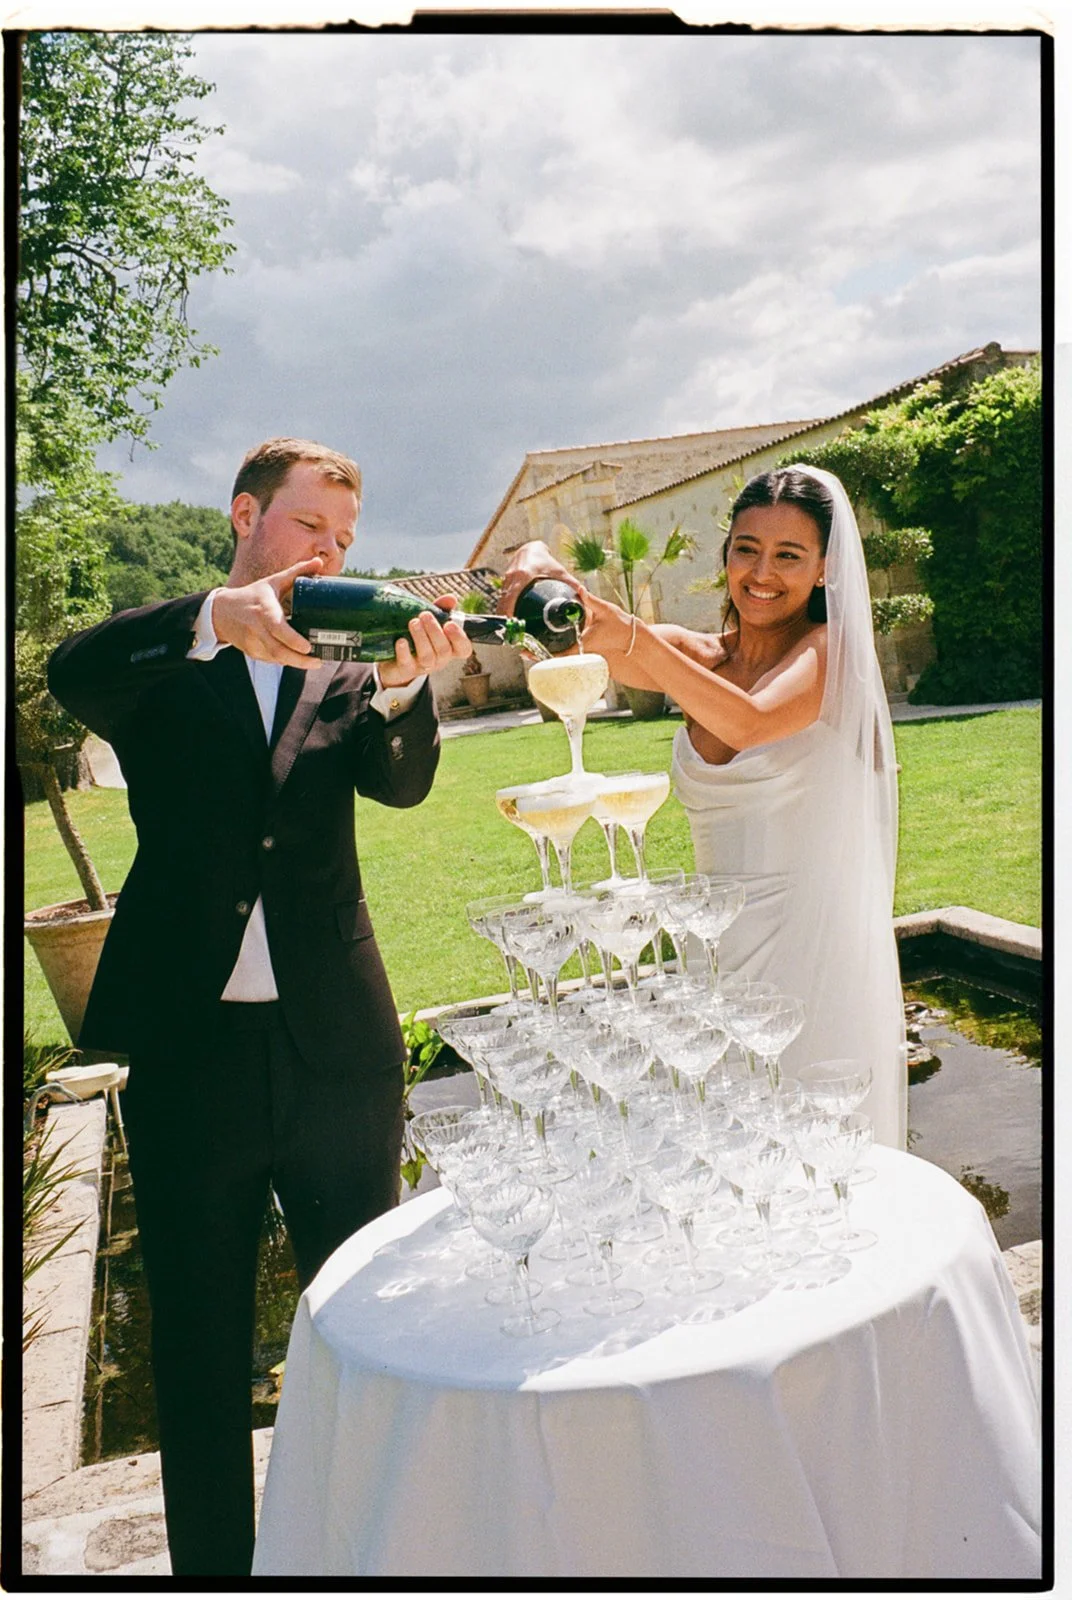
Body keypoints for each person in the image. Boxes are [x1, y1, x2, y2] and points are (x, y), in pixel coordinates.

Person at [47, 437, 472, 1576]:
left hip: (338, 1047)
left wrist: (406, 683)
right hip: (193, 1054)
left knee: (370, 1328)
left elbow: (402, 782)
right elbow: (68, 671)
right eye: (307, 527)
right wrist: (211, 618)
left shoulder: (352, 660)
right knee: (196, 1346)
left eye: (345, 535)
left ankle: (376, 1555)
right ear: (246, 515)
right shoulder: (165, 660)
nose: (330, 552)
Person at [500, 464, 906, 1149]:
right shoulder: (699, 657)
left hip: (812, 943)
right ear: (725, 556)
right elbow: (576, 634)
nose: (762, 573)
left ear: (823, 570)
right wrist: (535, 566)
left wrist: (634, 638)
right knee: (726, 1139)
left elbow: (748, 722)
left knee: (813, 1137)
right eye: (746, 548)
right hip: (714, 944)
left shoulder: (832, 655)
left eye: (788, 555)